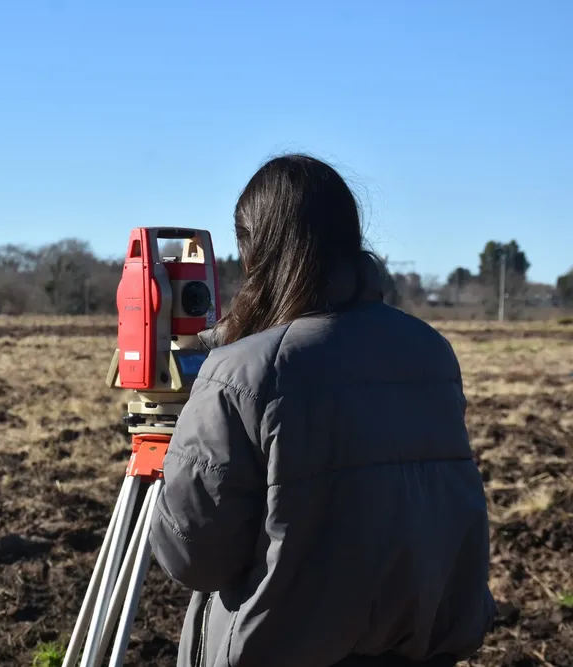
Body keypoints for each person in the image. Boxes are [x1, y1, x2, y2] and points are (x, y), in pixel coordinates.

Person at [148, 154, 496, 667]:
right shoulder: (430, 350)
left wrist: (173, 462)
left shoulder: (240, 373)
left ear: (254, 249)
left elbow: (194, 557)